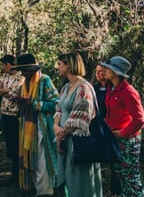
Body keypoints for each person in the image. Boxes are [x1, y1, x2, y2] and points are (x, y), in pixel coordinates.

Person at [53, 52, 102, 197]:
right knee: (67, 177)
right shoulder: (66, 87)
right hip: (64, 139)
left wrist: (62, 133)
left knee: (80, 179)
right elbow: (59, 110)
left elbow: (81, 116)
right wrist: (56, 127)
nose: (58, 67)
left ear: (69, 65)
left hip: (78, 141)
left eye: (60, 64)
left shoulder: (84, 87)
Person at [13, 53, 59, 196]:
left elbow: (55, 103)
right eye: (21, 70)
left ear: (32, 68)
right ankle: (35, 189)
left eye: (25, 70)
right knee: (30, 162)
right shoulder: (24, 83)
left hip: (42, 127)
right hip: (27, 127)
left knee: (42, 163)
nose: (23, 73)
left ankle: (45, 192)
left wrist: (33, 103)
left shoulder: (45, 80)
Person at [101, 56, 144, 197]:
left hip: (129, 141)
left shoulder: (128, 91)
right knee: (120, 177)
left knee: (131, 179)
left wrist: (123, 133)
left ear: (115, 72)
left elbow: (139, 119)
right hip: (116, 140)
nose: (104, 70)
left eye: (108, 68)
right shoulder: (111, 88)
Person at [0, 54, 24, 182]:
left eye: (2, 64)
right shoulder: (5, 76)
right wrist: (5, 90)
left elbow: (15, 94)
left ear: (8, 64)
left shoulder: (21, 77)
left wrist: (5, 91)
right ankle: (13, 173)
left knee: (16, 145)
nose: (1, 67)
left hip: (15, 116)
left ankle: (18, 174)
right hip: (4, 114)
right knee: (10, 145)